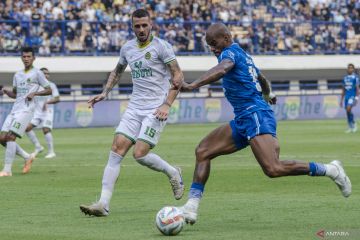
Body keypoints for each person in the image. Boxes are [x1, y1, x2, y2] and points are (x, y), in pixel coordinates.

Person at [179, 23, 352, 224]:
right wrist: (269, 93)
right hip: (244, 118)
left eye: (215, 43)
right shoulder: (243, 56)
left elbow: (222, 69)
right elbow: (261, 78)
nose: (213, 49)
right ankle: (191, 207)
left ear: (226, 38)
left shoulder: (230, 54)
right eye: (209, 45)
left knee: (273, 168)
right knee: (203, 151)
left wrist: (193, 85)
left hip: (256, 115)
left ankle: (331, 170)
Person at [80, 9, 185, 217]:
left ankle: (173, 172)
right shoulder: (127, 48)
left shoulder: (162, 47)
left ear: (151, 24)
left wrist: (167, 104)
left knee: (139, 154)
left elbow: (178, 75)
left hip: (156, 108)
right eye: (137, 26)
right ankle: (103, 204)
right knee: (116, 150)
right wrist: (105, 92)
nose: (141, 29)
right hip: (134, 107)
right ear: (132, 27)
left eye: (144, 25)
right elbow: (117, 71)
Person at [0, 47, 52, 177]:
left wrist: (35, 93)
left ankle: (7, 170)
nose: (26, 59)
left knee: (11, 137)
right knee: (2, 139)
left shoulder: (37, 73)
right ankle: (27, 157)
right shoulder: (17, 74)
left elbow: (49, 90)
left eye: (29, 56)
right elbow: (16, 94)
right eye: (24, 56)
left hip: (27, 110)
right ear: (21, 58)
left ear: (34, 58)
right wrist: (6, 91)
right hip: (15, 110)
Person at [25, 68, 60, 158]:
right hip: (37, 112)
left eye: (48, 74)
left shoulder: (51, 85)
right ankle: (38, 146)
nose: (47, 75)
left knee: (46, 129)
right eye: (44, 73)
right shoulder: (34, 85)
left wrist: (47, 102)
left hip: (48, 111)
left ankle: (51, 152)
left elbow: (57, 98)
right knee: (27, 128)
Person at [340, 63, 359, 133]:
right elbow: (343, 90)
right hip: (346, 97)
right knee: (347, 111)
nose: (349, 69)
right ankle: (350, 126)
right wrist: (341, 100)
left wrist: (356, 98)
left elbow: (357, 88)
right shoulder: (345, 78)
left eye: (351, 68)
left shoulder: (355, 77)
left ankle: (354, 124)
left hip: (352, 96)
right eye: (348, 68)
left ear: (353, 69)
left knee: (348, 109)